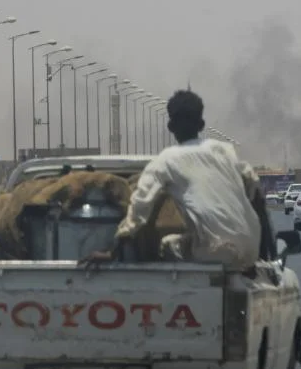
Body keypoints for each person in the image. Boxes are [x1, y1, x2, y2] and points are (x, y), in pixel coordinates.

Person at [80, 89, 268, 271]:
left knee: (167, 245)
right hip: (252, 250)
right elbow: (256, 190)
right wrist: (265, 254)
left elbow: (139, 210)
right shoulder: (225, 150)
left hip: (214, 252)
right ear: (201, 125)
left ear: (170, 127)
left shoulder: (165, 161)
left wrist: (111, 252)